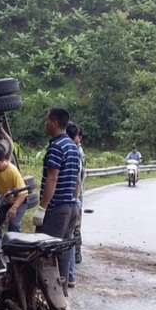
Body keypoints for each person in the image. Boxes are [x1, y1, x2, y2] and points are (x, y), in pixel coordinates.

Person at [32, 108, 80, 297]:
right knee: (64, 249)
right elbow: (77, 179)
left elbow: (52, 179)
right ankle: (62, 290)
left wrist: (42, 207)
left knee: (46, 249)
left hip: (57, 209)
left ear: (53, 122)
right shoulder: (72, 146)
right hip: (71, 206)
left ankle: (49, 294)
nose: (46, 124)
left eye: (47, 121)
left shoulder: (56, 147)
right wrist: (73, 200)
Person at [66, 122, 86, 288]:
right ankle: (75, 259)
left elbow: (77, 180)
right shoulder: (77, 151)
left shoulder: (74, 152)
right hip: (77, 197)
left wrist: (74, 198)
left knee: (72, 233)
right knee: (74, 231)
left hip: (74, 198)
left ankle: (74, 263)